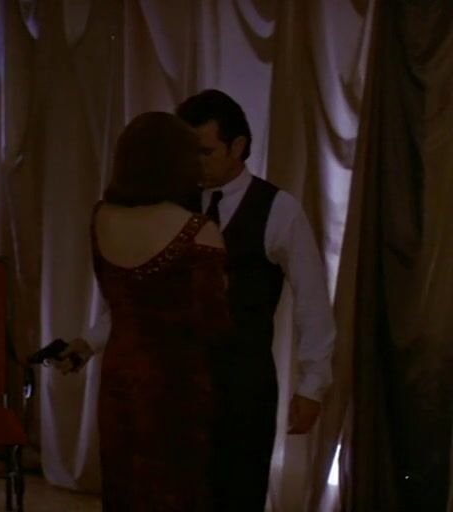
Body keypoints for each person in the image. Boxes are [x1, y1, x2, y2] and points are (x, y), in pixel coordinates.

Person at [56, 90, 336, 510]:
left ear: (237, 147)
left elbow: (313, 302)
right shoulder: (170, 206)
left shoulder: (279, 209)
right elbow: (142, 298)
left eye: (205, 152)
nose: (194, 164)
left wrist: (313, 385)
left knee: (237, 495)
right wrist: (90, 342)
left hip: (242, 383)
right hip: (175, 389)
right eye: (188, 153)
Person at [79, 111, 232, 510]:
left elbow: (118, 300)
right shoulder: (197, 230)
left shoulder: (102, 217)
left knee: (124, 485)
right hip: (175, 383)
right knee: (174, 491)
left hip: (119, 375)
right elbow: (213, 322)